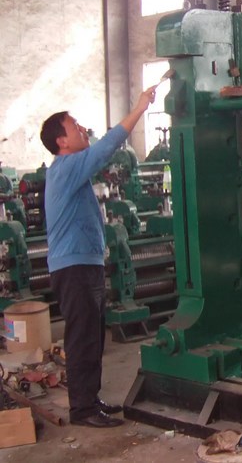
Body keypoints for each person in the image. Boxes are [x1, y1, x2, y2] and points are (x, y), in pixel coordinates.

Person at [40, 86, 157, 427]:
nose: (83, 129)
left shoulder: (70, 169)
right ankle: (83, 410)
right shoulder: (66, 167)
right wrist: (139, 108)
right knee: (82, 338)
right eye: (75, 126)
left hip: (84, 265)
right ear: (61, 141)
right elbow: (107, 146)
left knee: (93, 336)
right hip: (73, 268)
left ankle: (90, 400)